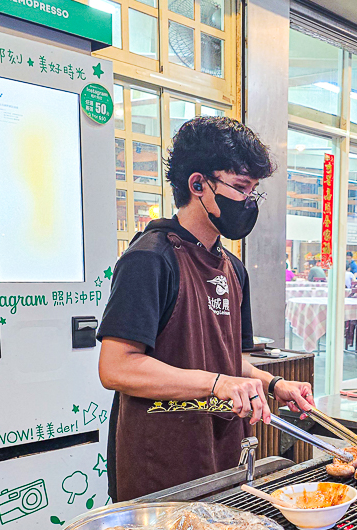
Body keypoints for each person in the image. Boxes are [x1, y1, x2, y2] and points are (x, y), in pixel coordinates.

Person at [97, 117, 315, 501]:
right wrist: (218, 384)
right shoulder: (149, 259)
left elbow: (232, 363)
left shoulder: (233, 268)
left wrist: (276, 385)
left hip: (223, 451)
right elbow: (117, 367)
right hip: (162, 462)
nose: (248, 202)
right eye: (241, 188)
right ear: (198, 184)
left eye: (254, 192)